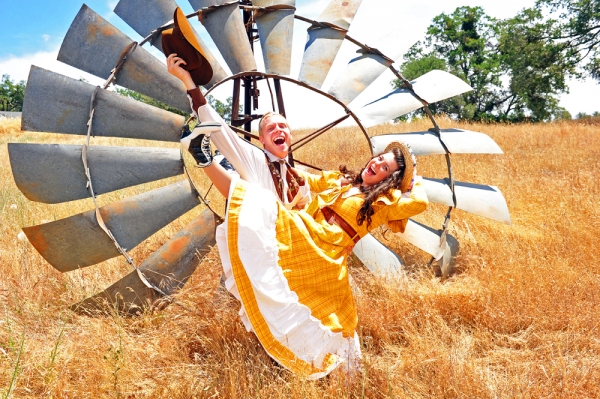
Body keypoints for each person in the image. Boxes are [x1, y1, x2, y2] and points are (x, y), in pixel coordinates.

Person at [161, 7, 428, 379]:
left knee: (327, 314)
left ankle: (321, 369)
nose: (278, 128)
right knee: (251, 201)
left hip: (316, 255)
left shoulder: (337, 187)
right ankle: (207, 161)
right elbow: (223, 131)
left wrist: (405, 179)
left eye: (284, 125)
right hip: (280, 245)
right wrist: (190, 84)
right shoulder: (261, 160)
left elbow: (413, 201)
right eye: (271, 126)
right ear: (261, 136)